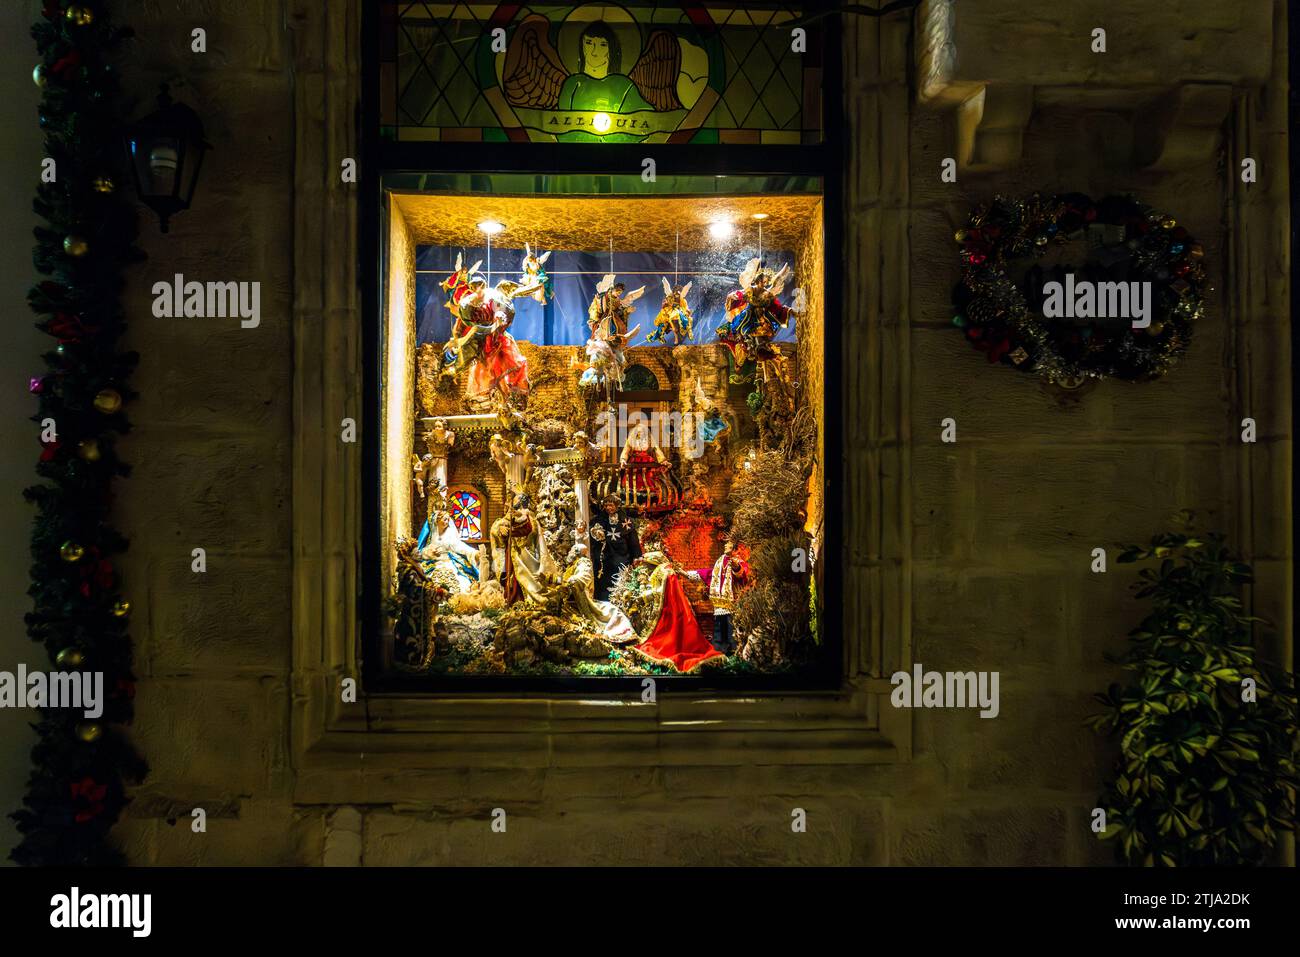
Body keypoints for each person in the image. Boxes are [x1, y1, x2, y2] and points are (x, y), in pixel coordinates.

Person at [416, 510, 483, 596]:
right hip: (433, 563)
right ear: (437, 520)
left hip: (448, 561)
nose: (447, 522)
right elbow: (422, 550)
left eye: (448, 520)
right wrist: (430, 552)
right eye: (444, 519)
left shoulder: (450, 535)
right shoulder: (432, 535)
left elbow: (460, 546)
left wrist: (474, 553)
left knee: (460, 581)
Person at [589, 493, 640, 601]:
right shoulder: (600, 519)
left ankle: (621, 598)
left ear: (617, 506)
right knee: (603, 577)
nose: (608, 508)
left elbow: (633, 540)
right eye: (606, 505)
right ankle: (602, 598)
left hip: (622, 554)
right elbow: (593, 529)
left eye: (611, 505)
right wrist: (597, 533)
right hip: (606, 555)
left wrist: (637, 555)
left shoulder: (625, 521)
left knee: (620, 576)